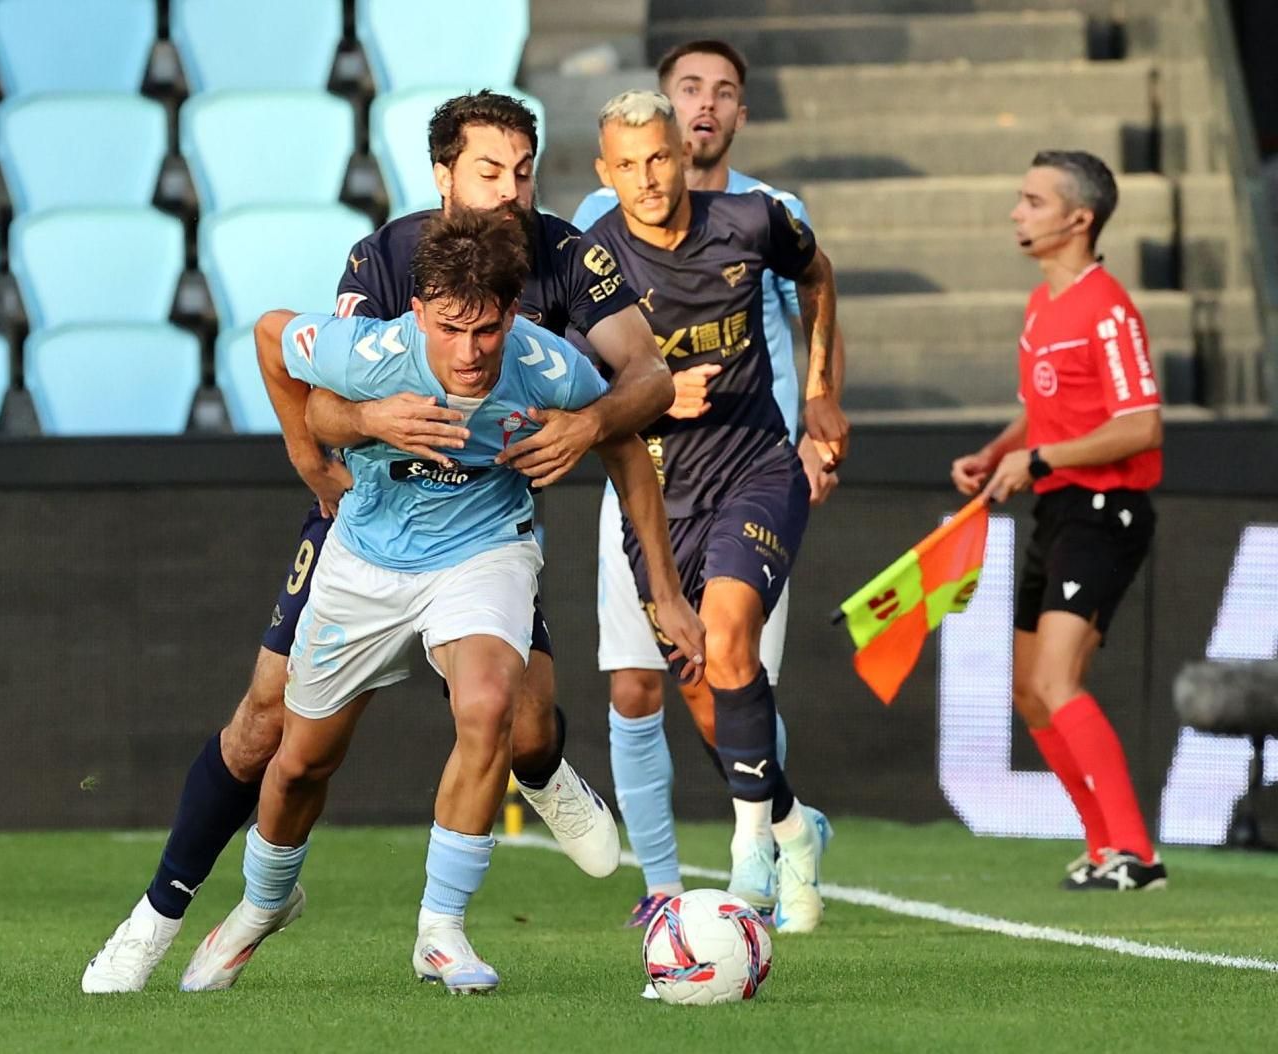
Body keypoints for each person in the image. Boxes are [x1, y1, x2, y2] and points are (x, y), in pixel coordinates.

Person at [81, 91, 672, 994]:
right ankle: (167, 913)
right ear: (443, 177)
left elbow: (647, 385)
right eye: (488, 172)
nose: (511, 192)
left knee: (511, 718)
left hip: (485, 527)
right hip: (368, 520)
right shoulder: (393, 258)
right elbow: (308, 375)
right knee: (269, 735)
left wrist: (586, 427)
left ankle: (461, 899)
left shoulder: (565, 261)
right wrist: (336, 439)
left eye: (524, 171)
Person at [180, 207, 705, 994]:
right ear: (419, 312)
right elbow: (269, 337)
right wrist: (325, 449)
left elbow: (628, 447)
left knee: (491, 704)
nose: (469, 353)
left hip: (483, 549)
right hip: (365, 560)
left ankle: (441, 929)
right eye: (451, 330)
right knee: (298, 764)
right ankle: (260, 907)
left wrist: (662, 590)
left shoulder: (548, 364)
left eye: (487, 331)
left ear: (513, 314)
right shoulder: (373, 353)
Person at [573, 40, 839, 930]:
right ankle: (791, 829)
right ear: (605, 173)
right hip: (648, 492)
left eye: (661, 156)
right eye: (630, 163)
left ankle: (750, 861)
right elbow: (576, 370)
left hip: (758, 466)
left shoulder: (761, 216)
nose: (650, 175)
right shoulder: (585, 251)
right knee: (686, 680)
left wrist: (821, 403)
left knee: (731, 647)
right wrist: (639, 396)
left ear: (688, 147)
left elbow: (816, 279)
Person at [951, 150, 1166, 891]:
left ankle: (1137, 852)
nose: (1017, 212)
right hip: (1059, 507)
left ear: (1079, 218)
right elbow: (1043, 411)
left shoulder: (1108, 310)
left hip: (1105, 509)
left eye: (1032, 201)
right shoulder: (1044, 305)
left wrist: (1039, 460)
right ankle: (1105, 847)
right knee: (1028, 690)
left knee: (1057, 678)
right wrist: (997, 450)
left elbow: (1141, 426)